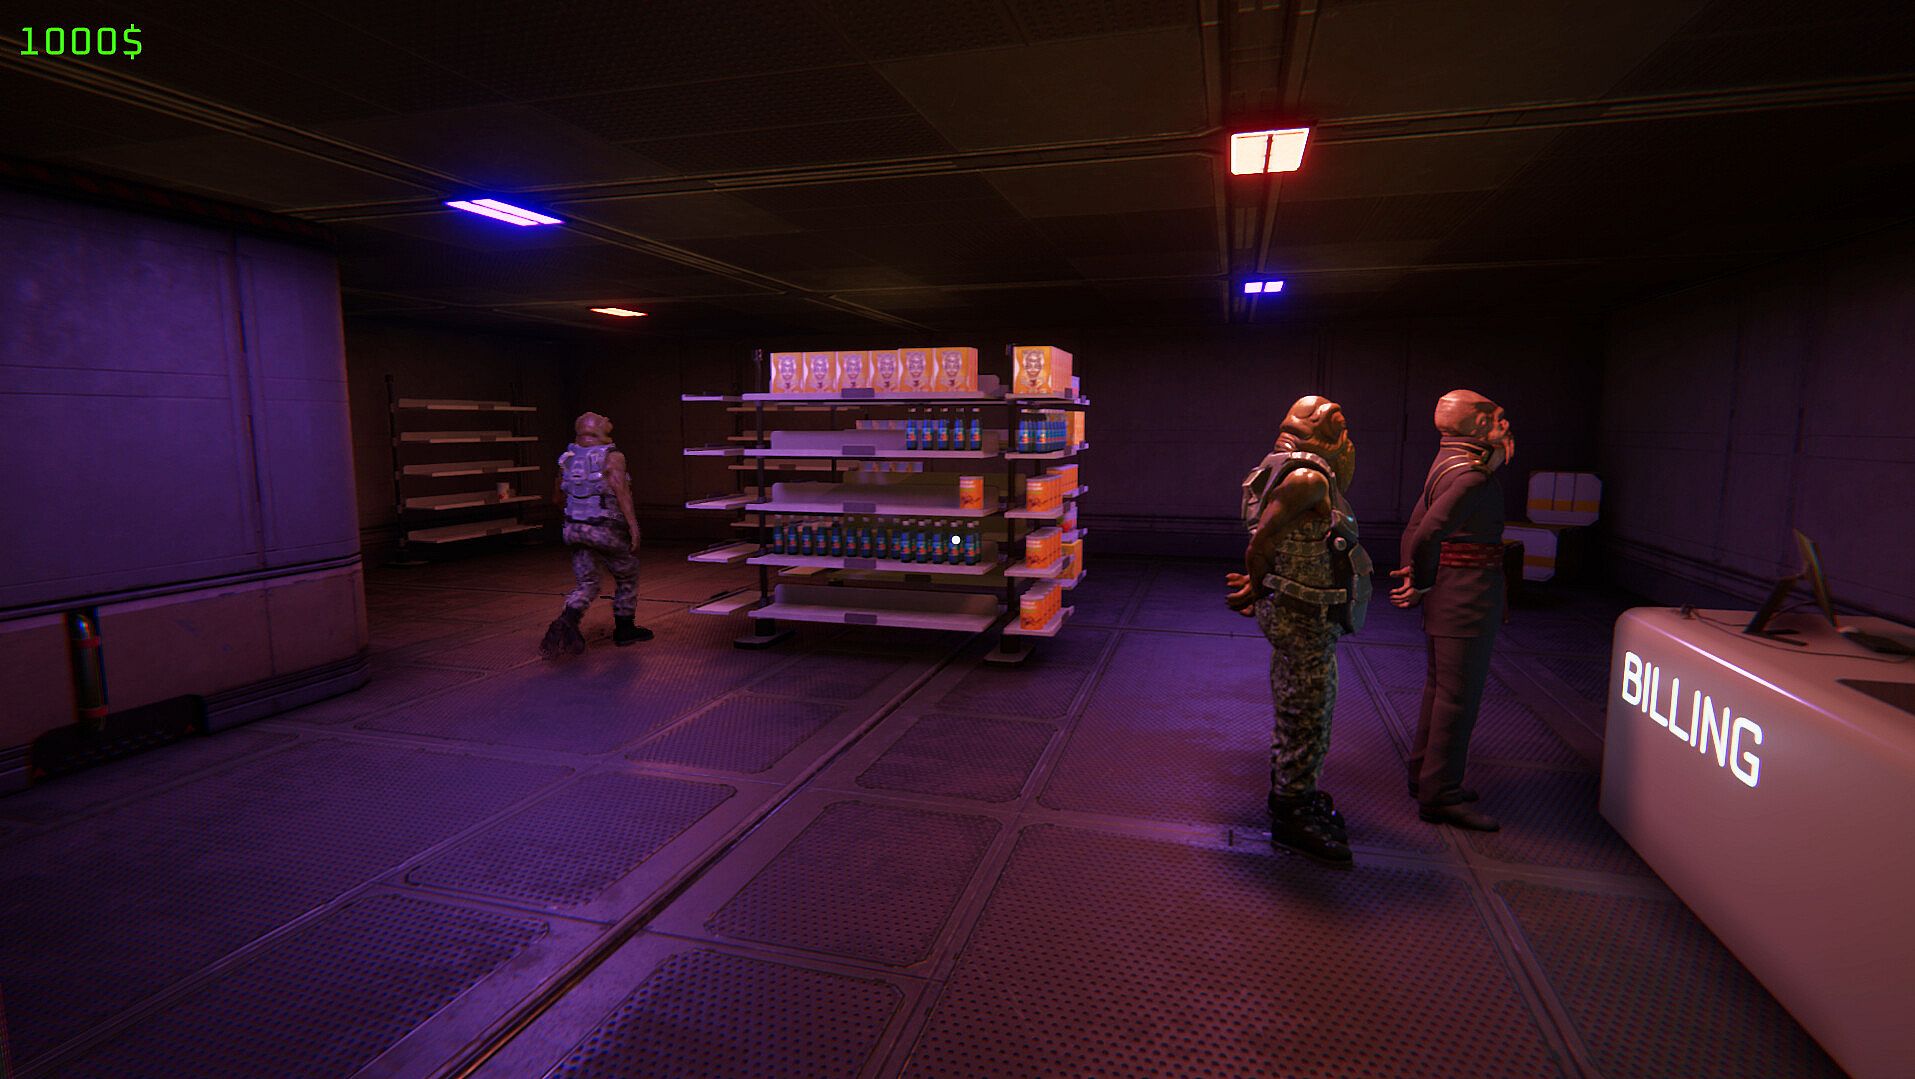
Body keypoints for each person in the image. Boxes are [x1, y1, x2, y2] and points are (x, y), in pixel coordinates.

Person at [1226, 396, 1373, 867]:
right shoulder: (1308, 479)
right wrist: (1256, 585)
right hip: (1302, 617)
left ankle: (1297, 792)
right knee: (1307, 712)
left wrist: (1263, 582)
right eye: (1341, 430)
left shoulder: (1286, 467)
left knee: (1305, 706)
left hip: (1300, 611)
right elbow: (1261, 543)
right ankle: (1291, 809)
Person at [1389, 390, 1515, 831]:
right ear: (1477, 425)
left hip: (1447, 595)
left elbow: (1414, 526)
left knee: (1440, 690)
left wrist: (1415, 577)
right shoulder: (1474, 477)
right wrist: (1419, 580)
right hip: (1466, 598)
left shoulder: (1447, 463)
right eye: (1497, 418)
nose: (1505, 426)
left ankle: (1425, 776)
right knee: (1458, 699)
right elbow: (1428, 533)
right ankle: (1440, 795)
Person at [540, 412, 652, 657]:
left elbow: (557, 498)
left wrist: (575, 517)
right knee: (627, 574)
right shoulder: (612, 457)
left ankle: (567, 620)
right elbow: (621, 491)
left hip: (574, 529)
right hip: (604, 529)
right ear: (598, 429)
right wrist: (633, 526)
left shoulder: (567, 458)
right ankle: (625, 629)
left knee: (587, 583)